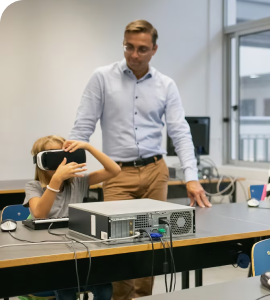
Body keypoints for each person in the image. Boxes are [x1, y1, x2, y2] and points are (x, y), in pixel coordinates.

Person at [68, 20, 210, 299]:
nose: (134, 54)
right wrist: (68, 170)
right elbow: (82, 127)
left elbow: (180, 133)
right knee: (119, 246)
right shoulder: (102, 77)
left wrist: (191, 178)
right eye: (128, 47)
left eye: (142, 49)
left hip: (156, 170)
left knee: (153, 242)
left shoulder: (165, 84)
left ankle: (145, 296)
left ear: (154, 49)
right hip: (117, 174)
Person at [24, 135, 120, 300]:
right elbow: (40, 214)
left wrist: (88, 147)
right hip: (51, 258)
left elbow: (114, 170)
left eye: (65, 157)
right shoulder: (33, 187)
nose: (63, 163)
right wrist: (55, 181)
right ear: (42, 161)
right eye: (56, 159)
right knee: (66, 292)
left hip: (77, 253)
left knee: (104, 288)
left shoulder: (78, 181)